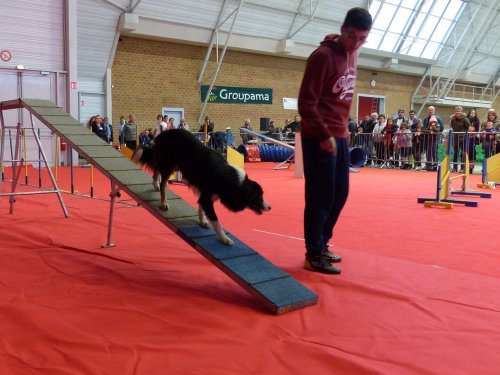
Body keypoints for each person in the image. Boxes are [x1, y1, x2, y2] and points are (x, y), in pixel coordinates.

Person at [298, 7, 372, 274]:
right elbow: (306, 103)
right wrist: (324, 133)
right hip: (319, 137)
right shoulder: (322, 56)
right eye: (352, 37)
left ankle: (323, 243)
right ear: (342, 30)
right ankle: (313, 254)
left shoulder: (353, 57)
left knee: (340, 194)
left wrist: (343, 130)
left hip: (339, 136)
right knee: (321, 196)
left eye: (363, 39)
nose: (356, 43)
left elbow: (343, 99)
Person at [422, 106, 444, 171]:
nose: (430, 111)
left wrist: (434, 131)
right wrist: (429, 131)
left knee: (434, 152)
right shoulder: (425, 119)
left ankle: (435, 165)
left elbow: (441, 128)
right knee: (428, 152)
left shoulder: (438, 118)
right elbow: (424, 129)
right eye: (429, 110)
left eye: (431, 110)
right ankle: (428, 165)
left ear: (434, 111)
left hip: (435, 138)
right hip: (427, 138)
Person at [449, 106, 470, 172]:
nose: (458, 112)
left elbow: (468, 127)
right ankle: (455, 168)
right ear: (455, 112)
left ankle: (462, 168)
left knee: (463, 153)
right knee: (456, 153)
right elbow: (452, 126)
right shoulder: (453, 119)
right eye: (456, 111)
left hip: (463, 138)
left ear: (461, 112)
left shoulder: (465, 119)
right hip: (456, 137)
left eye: (459, 111)